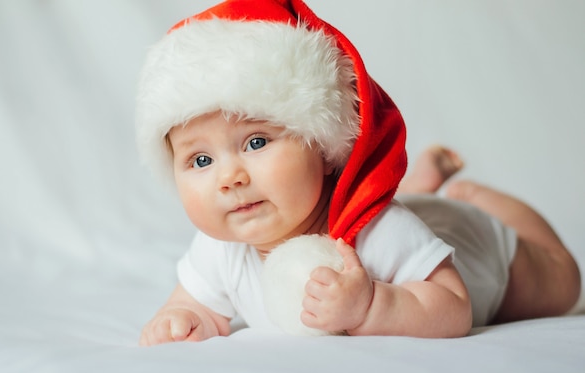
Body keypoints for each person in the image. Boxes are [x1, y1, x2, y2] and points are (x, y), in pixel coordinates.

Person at [135, 0, 581, 345]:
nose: (228, 177)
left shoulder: (379, 231)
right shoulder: (218, 249)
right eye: (200, 160)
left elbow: (455, 305)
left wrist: (372, 305)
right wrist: (183, 320)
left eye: (256, 142)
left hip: (486, 253)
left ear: (325, 149)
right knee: (421, 206)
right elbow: (199, 306)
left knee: (561, 284)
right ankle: (421, 184)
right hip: (417, 215)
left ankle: (469, 194)